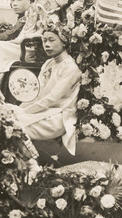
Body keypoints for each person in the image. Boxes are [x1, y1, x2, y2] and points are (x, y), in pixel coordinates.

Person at [11, 25, 83, 155]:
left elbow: (52, 99)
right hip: (41, 110)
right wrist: (21, 109)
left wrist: (25, 112)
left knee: (14, 125)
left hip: (58, 116)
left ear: (63, 42)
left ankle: (30, 160)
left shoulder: (70, 68)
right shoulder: (48, 64)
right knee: (7, 113)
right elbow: (36, 93)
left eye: (51, 40)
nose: (47, 45)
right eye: (44, 41)